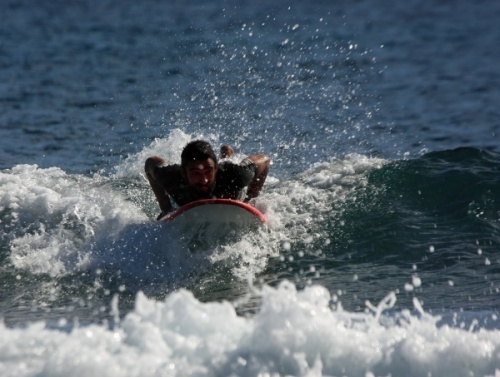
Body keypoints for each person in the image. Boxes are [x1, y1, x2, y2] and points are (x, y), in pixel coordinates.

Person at [144, 140, 271, 219]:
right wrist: (165, 208)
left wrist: (251, 199)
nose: (204, 180)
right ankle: (224, 155)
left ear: (215, 169)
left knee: (237, 167)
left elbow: (264, 160)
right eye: (196, 173)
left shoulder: (236, 176)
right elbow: (150, 163)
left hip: (231, 180)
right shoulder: (172, 178)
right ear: (184, 172)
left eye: (208, 172)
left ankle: (227, 155)